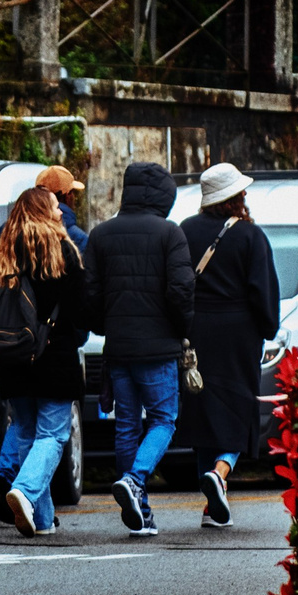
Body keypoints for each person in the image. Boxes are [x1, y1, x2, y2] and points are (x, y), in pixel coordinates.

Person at [83, 161, 193, 537]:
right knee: (164, 420)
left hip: (118, 348)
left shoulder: (101, 234)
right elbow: (181, 290)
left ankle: (141, 513)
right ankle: (135, 480)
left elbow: (91, 293)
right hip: (159, 348)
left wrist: (104, 326)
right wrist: (181, 329)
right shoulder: (170, 233)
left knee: (127, 426)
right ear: (165, 196)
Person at [0, 187, 87, 536]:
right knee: (53, 434)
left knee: (24, 431)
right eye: (55, 207)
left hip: (13, 357)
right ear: (43, 210)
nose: (59, 213)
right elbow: (81, 306)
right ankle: (23, 490)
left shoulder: (3, 251)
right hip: (54, 355)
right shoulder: (62, 249)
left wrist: (3, 324)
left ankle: (40, 519)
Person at [176, 162, 279, 528]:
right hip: (238, 333)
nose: (246, 195)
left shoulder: (184, 231)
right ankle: (220, 473)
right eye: (241, 191)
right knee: (238, 408)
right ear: (234, 198)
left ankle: (211, 506)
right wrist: (267, 327)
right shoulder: (251, 237)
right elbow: (262, 292)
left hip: (196, 332)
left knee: (204, 409)